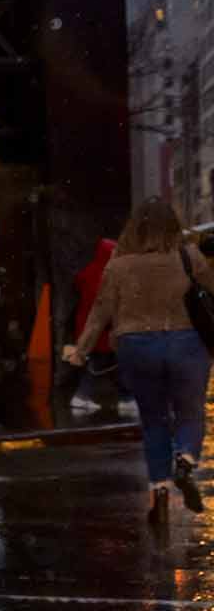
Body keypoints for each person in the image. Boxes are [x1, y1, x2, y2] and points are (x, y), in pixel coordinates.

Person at [65, 199, 214, 524]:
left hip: (136, 344)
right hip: (186, 343)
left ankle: (159, 491)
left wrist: (81, 350)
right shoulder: (189, 257)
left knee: (154, 420)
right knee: (189, 413)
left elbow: (100, 310)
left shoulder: (119, 265)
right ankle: (186, 459)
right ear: (173, 225)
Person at [69, 238, 135, 417]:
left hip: (91, 329)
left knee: (100, 363)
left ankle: (85, 397)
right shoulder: (105, 276)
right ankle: (126, 399)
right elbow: (106, 306)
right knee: (112, 363)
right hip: (102, 331)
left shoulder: (89, 272)